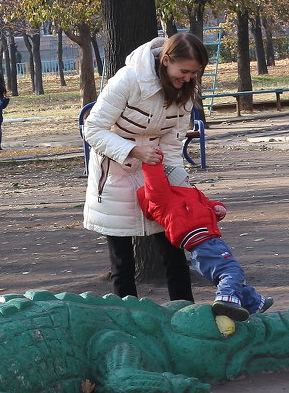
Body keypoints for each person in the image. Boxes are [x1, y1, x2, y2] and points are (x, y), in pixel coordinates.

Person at [82, 32, 208, 301]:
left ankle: (184, 313)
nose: (187, 78)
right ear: (166, 60)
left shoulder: (186, 91)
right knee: (122, 262)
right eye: (183, 71)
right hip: (115, 174)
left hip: (156, 175)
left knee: (174, 250)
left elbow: (173, 144)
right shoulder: (128, 79)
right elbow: (92, 128)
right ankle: (128, 322)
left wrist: (179, 187)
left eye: (193, 73)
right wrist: (133, 150)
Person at [138, 159, 272, 321]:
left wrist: (216, 208)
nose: (190, 183)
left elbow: (204, 203)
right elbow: (155, 181)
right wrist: (152, 158)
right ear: (174, 185)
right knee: (231, 270)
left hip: (205, 241)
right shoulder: (165, 198)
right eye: (186, 180)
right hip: (202, 240)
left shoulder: (188, 194)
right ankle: (226, 299)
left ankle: (253, 302)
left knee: (223, 273)